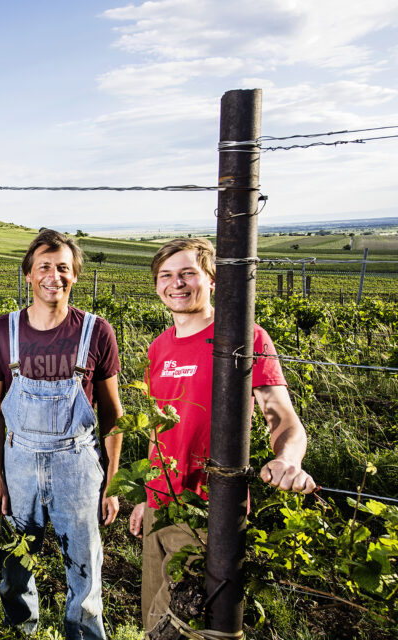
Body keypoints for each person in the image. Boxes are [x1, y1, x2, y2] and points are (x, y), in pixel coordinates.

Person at [129, 237, 317, 633]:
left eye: (188, 273)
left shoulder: (244, 338)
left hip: (208, 511)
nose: (176, 284)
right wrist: (147, 496)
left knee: (186, 627)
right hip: (160, 506)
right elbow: (159, 431)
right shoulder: (158, 348)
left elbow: (282, 416)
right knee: (152, 623)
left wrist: (288, 459)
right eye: (166, 275)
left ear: (212, 280)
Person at [0, 229, 124, 640]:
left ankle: (83, 635)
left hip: (77, 466)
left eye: (63, 267)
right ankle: (20, 630)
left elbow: (113, 415)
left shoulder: (96, 331)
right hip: (19, 464)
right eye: (44, 266)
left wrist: (112, 483)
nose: (54, 276)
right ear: (28, 274)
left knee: (84, 570)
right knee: (16, 563)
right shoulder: (3, 331)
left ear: (75, 275)